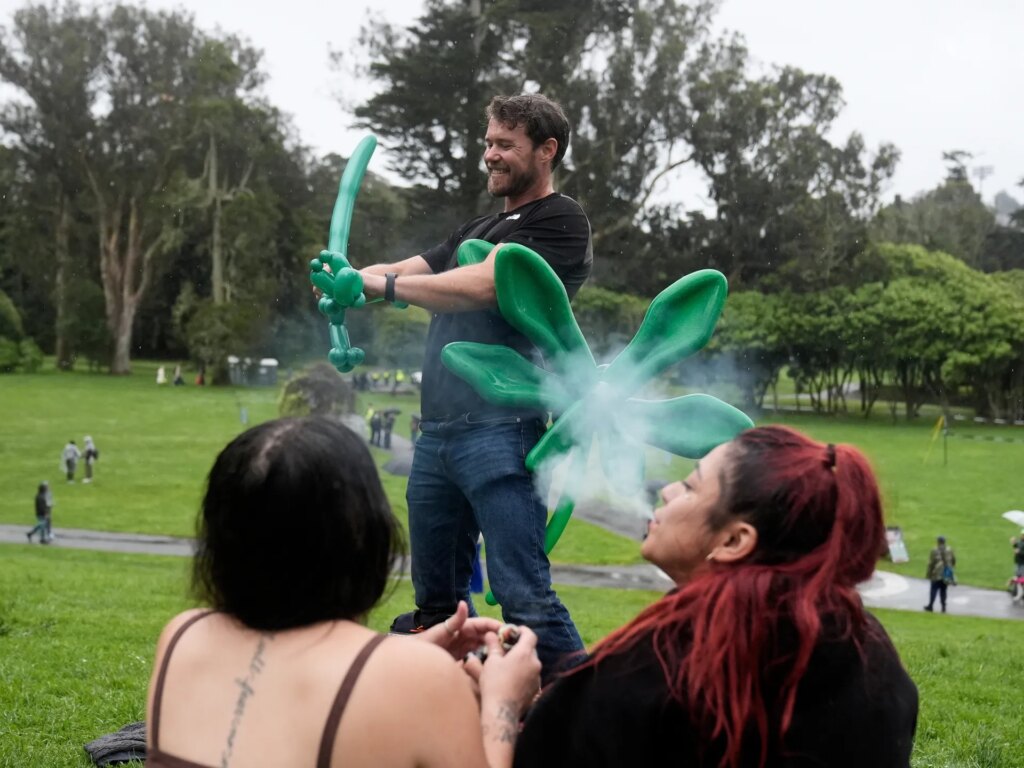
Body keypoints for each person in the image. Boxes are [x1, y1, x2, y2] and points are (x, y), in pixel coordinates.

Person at [146, 416, 541, 768]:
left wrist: (405, 657)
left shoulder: (183, 636)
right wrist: (503, 705)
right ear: (365, 539)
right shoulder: (426, 680)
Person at [514, 426, 918, 768]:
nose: (668, 491)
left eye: (690, 486)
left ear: (734, 541)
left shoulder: (650, 671)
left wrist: (502, 702)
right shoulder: (872, 656)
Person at [355, 94, 592, 674]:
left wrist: (382, 288)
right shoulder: (477, 226)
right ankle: (452, 711)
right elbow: (413, 269)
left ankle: (582, 711)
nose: (490, 154)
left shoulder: (560, 221)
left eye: (506, 144)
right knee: (437, 607)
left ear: (547, 150)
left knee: (524, 596)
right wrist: (350, 279)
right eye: (488, 142)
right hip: (436, 434)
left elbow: (487, 283)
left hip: (502, 431)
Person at [924, 535, 956, 613]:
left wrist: (928, 574)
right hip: (946, 573)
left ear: (938, 542)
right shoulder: (949, 550)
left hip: (936, 573)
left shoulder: (934, 550)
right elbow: (953, 560)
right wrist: (950, 569)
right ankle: (943, 607)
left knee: (933, 589)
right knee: (943, 590)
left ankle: (931, 605)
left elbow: (931, 563)